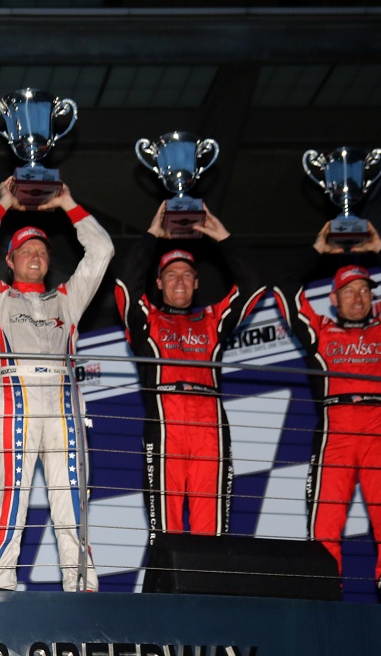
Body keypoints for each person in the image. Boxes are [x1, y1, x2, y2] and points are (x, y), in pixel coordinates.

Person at [0, 177, 113, 591]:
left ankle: (80, 583)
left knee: (71, 499)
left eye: (42, 251)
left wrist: (67, 202)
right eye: (26, 250)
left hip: (64, 402)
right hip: (15, 397)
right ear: (9, 261)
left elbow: (102, 251)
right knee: (12, 496)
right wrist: (5, 203)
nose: (35, 255)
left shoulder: (67, 299)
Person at [272, 221, 381, 606]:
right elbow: (285, 290)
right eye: (348, 291)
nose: (358, 298)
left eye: (364, 291)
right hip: (334, 437)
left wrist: (380, 247)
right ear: (335, 300)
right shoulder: (319, 330)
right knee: (323, 524)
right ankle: (325, 597)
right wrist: (317, 251)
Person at [114, 202, 264, 544]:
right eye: (171, 274)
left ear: (196, 283)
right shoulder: (146, 320)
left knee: (210, 530)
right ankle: (163, 597)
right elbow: (125, 284)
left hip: (210, 424)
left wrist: (222, 237)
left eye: (186, 274)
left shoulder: (212, 318)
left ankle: (208, 596)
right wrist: (152, 235)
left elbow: (253, 287)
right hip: (166, 424)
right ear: (159, 281)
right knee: (163, 530)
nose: (178, 281)